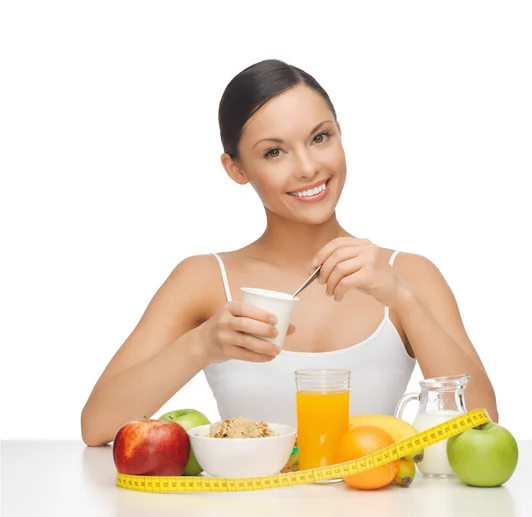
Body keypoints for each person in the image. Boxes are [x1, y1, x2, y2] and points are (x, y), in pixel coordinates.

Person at [80, 59, 498, 447]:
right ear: (236, 169)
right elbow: (97, 427)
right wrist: (201, 345)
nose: (307, 168)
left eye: (320, 137)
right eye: (274, 151)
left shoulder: (408, 273)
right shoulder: (204, 279)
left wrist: (402, 298)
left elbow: (485, 426)